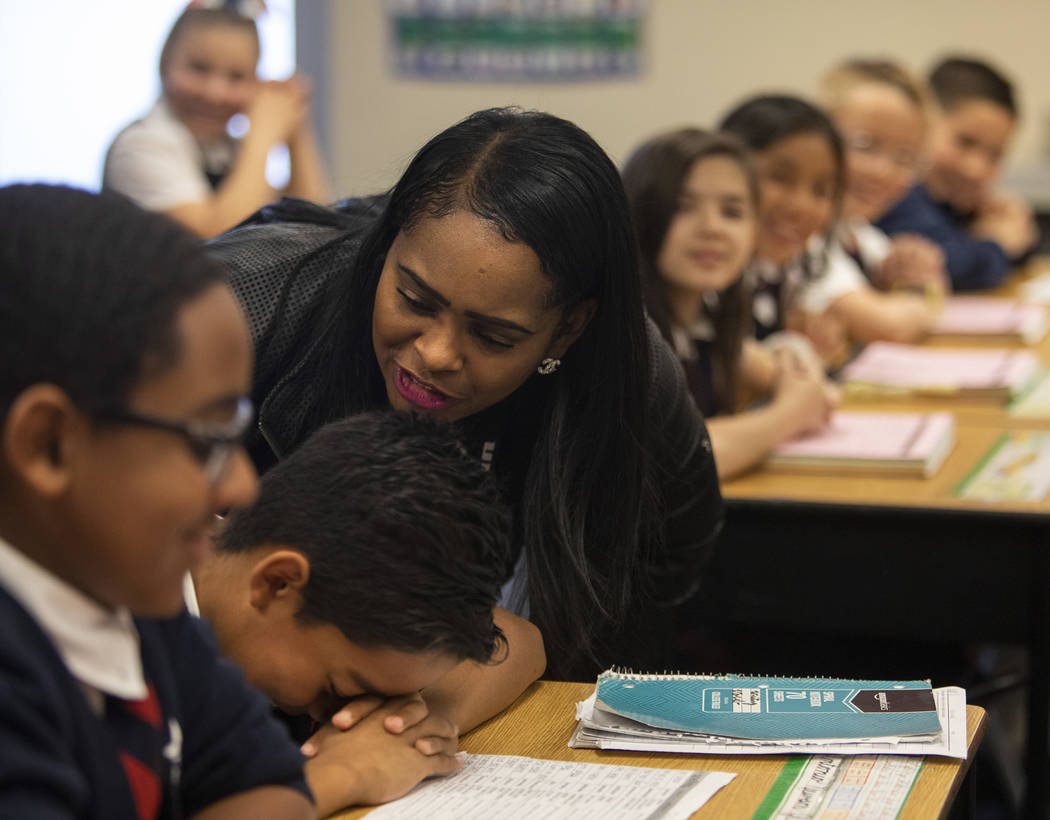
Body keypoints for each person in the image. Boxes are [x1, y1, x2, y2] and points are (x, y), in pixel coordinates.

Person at [206, 106, 723, 680]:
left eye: (494, 336)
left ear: (568, 328)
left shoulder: (629, 374)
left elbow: (665, 563)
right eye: (414, 300)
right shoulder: (234, 308)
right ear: (388, 243)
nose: (436, 354)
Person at [0, 184, 313, 818]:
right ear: (50, 444)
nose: (242, 487)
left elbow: (274, 789)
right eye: (206, 441)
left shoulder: (132, 600)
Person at [191, 411, 545, 816]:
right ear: (278, 583)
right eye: (339, 689)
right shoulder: (123, 620)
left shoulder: (246, 592)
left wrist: (410, 730)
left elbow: (521, 642)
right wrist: (342, 772)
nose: (340, 714)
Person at [622, 128, 837, 480]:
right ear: (640, 214)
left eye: (732, 211)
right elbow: (673, 460)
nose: (712, 228)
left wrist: (789, 352)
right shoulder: (623, 329)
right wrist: (788, 415)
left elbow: (809, 389)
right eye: (682, 207)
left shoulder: (702, 318)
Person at [721, 95, 937, 361]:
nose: (800, 205)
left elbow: (931, 277)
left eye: (822, 190)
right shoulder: (710, 274)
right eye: (864, 145)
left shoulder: (811, 253)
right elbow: (891, 325)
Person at [103, 2, 330, 238]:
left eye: (236, 77)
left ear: (256, 83)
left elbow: (314, 230)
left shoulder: (226, 150)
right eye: (198, 69)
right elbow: (217, 240)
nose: (215, 93)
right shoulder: (141, 145)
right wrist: (263, 136)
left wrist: (296, 130)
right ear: (165, 65)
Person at [878, 56, 1039, 290]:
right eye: (965, 142)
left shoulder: (955, 204)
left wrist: (1016, 228)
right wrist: (998, 243)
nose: (975, 169)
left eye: (995, 155)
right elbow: (952, 269)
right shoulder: (897, 192)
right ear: (922, 124)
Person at [820, 58, 952, 305]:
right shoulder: (807, 241)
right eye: (864, 145)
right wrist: (913, 302)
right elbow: (889, 322)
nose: (882, 172)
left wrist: (910, 269)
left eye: (904, 158)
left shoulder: (861, 236)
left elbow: (935, 289)